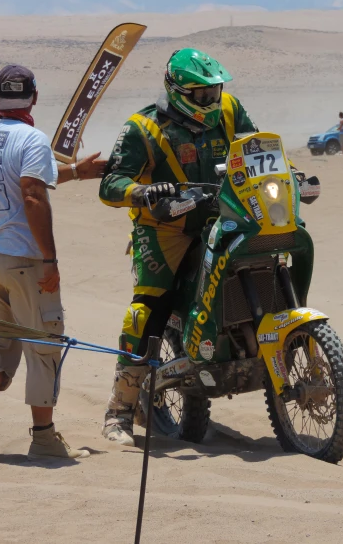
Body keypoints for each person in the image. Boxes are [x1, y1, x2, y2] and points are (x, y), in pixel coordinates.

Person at [97, 48, 259, 446]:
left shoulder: (229, 109)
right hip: (165, 228)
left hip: (221, 214)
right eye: (202, 94)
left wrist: (287, 172)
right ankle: (119, 411)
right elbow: (110, 184)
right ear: (177, 90)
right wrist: (146, 192)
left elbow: (254, 148)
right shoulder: (143, 127)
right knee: (147, 309)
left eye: (215, 91)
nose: (211, 99)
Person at [0, 64, 107, 460]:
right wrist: (50, 259)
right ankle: (43, 436)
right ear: (34, 98)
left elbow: (23, 177)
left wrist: (74, 172)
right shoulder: (32, 137)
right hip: (21, 258)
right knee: (44, 342)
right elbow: (32, 194)